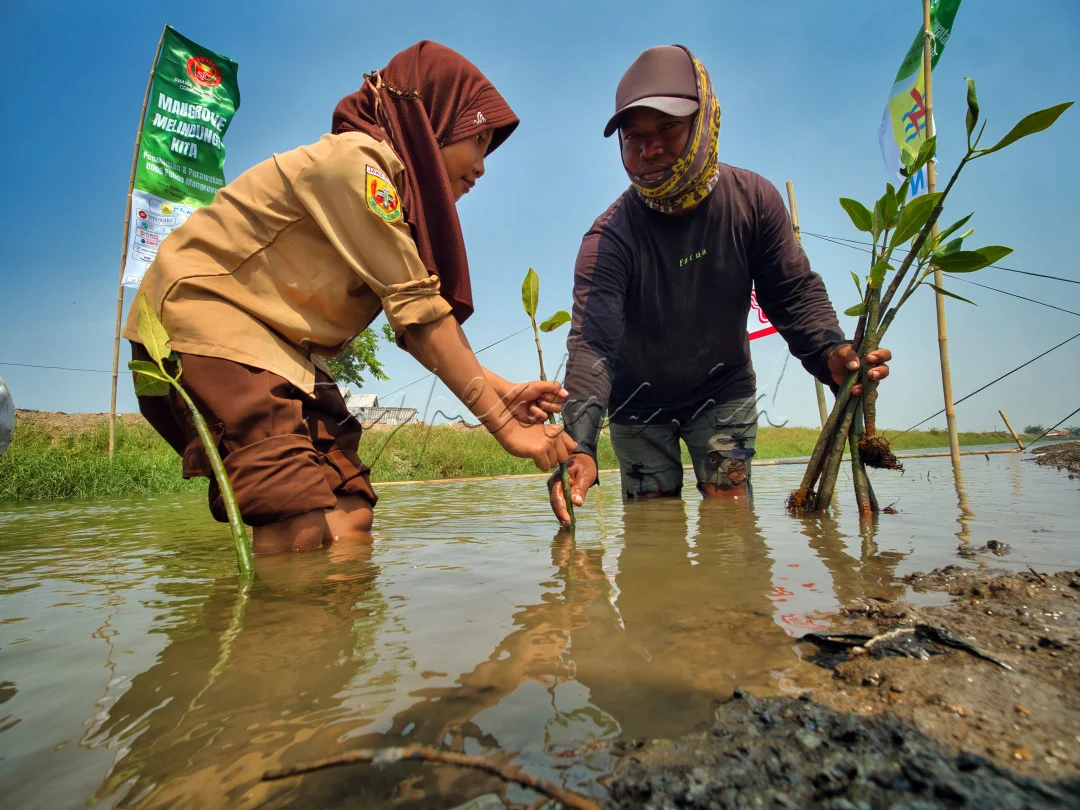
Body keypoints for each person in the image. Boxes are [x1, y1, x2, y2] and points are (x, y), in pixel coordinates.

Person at [124, 41, 576, 554]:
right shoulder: (357, 163)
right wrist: (502, 425)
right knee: (294, 515)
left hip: (282, 352)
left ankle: (332, 624)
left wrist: (501, 391)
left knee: (350, 514)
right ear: (433, 118)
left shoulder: (392, 193)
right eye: (478, 138)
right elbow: (422, 320)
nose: (482, 165)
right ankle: (280, 630)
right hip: (204, 323)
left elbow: (421, 319)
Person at [549, 45, 891, 523]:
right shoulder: (609, 240)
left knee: (730, 523)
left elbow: (792, 294)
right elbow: (593, 346)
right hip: (637, 400)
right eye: (634, 137)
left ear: (704, 120)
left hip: (721, 388)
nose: (649, 148)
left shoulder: (753, 202)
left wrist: (830, 353)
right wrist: (580, 445)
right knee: (652, 526)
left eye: (668, 127)